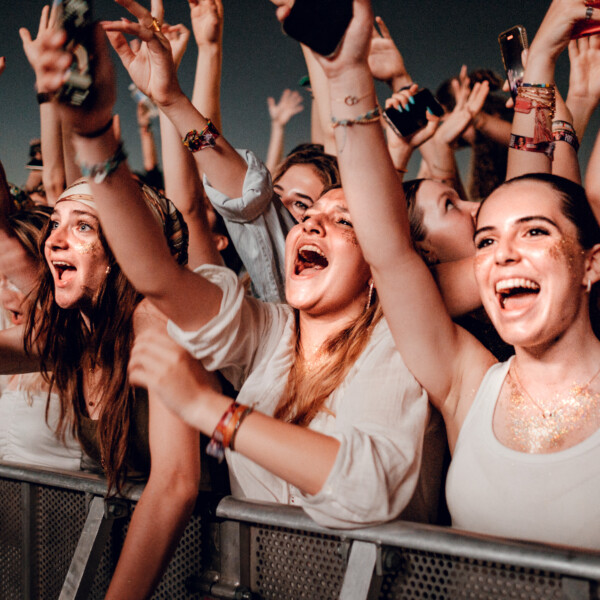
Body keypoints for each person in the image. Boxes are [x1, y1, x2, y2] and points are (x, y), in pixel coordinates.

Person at [34, 0, 446, 529]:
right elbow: (158, 276)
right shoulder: (269, 334)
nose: (310, 224)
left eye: (342, 220)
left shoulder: (401, 348)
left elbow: (366, 486)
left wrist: (213, 411)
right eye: (306, 215)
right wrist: (95, 134)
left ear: (381, 261)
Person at [298, 0, 600, 549]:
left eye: (533, 233)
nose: (503, 252)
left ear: (592, 263)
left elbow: (541, 190)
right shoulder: (465, 384)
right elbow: (387, 252)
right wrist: (347, 78)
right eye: (485, 241)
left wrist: (544, 65)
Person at [0, 175, 203, 597]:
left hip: (205, 565)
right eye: (54, 223)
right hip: (145, 556)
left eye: (83, 226)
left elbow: (176, 483)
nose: (54, 240)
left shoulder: (160, 325)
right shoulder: (78, 333)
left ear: (128, 251)